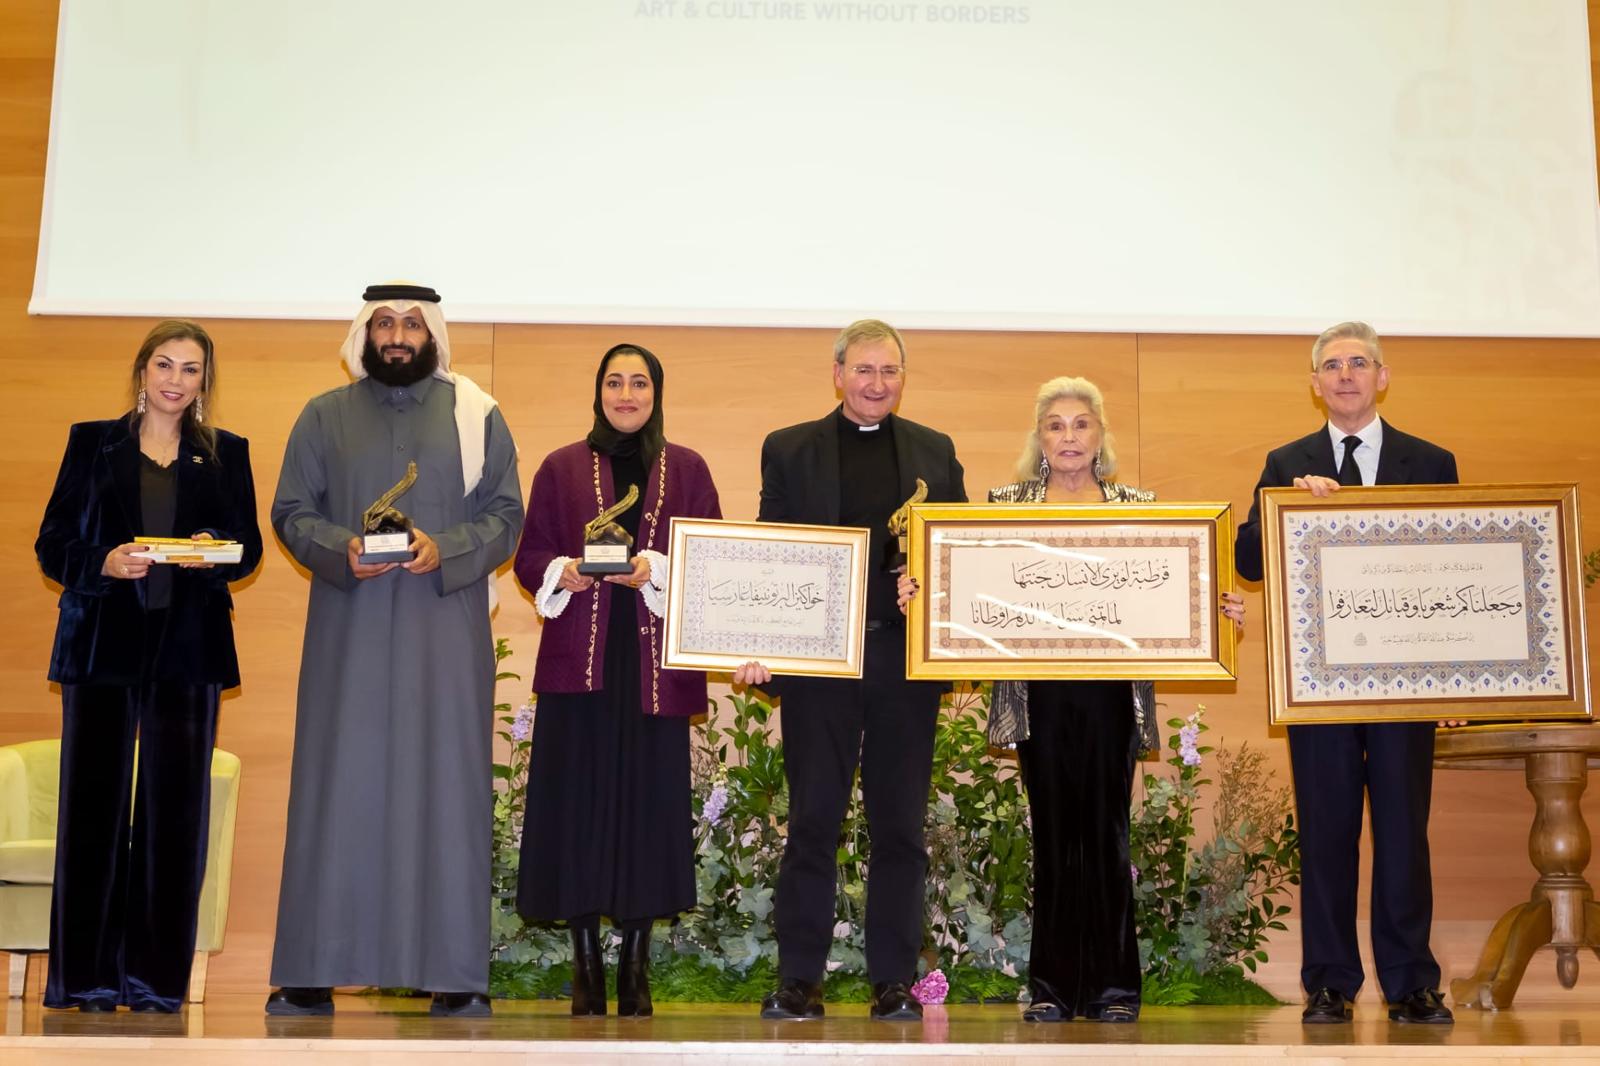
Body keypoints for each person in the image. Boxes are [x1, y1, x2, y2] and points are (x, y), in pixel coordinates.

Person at [896, 376, 1244, 1023]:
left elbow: (1177, 585)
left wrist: (1219, 610)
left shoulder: (1139, 505)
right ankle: (1053, 989)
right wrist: (927, 601)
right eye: (1055, 425)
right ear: (1040, 438)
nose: (1068, 437)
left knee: (1108, 835)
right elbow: (968, 583)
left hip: (1113, 692)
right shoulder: (1005, 504)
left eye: (1081, 424)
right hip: (1039, 694)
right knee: (1054, 837)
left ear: (1100, 435)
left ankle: (1114, 990)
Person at [266, 284, 523, 1018]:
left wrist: (447, 546)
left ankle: (453, 975)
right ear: (365, 333)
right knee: (335, 786)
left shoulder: (475, 415)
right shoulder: (324, 415)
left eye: (413, 323)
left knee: (447, 788)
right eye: (386, 323)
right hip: (348, 631)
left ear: (433, 333)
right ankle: (310, 971)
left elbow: (507, 515)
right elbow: (290, 511)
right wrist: (339, 545)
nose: (399, 335)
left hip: (443, 628)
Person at [733, 319, 966, 1022]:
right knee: (813, 823)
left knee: (900, 828)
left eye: (889, 371)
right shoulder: (789, 448)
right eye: (863, 370)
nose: (876, 384)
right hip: (820, 668)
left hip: (901, 664)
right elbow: (770, 553)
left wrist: (927, 584)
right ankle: (800, 979)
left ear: (903, 376)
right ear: (837, 374)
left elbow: (955, 553)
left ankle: (892, 979)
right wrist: (757, 642)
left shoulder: (935, 450)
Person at [34, 319, 262, 1012]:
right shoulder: (90, 441)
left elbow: (247, 550)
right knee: (92, 811)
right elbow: (52, 544)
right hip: (102, 645)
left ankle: (156, 982)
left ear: (203, 383)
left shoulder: (226, 453)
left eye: (190, 370)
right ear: (142, 371)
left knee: (175, 816)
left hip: (188, 651)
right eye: (164, 365)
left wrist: (212, 546)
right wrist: (100, 562)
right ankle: (86, 979)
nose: (174, 380)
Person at [1235, 321, 1457, 1026]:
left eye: (1359, 363)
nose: (1346, 375)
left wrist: (1457, 684)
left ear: (1382, 376)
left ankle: (1411, 982)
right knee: (1327, 832)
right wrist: (1287, 507)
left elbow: (1460, 571)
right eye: (1332, 365)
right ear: (1315, 384)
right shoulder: (1287, 460)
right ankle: (1328, 982)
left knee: (1402, 831)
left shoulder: (1432, 462)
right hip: (1321, 684)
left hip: (1406, 685)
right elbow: (1248, 560)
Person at [513, 343, 722, 1017]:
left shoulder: (687, 468)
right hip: (581, 667)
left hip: (654, 669)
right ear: (598, 390)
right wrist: (561, 571)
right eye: (614, 382)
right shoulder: (561, 466)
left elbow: (711, 554)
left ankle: (635, 963)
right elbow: (530, 553)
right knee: (576, 812)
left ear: (656, 392)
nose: (626, 394)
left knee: (646, 814)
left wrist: (656, 567)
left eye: (638, 383)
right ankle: (584, 966)